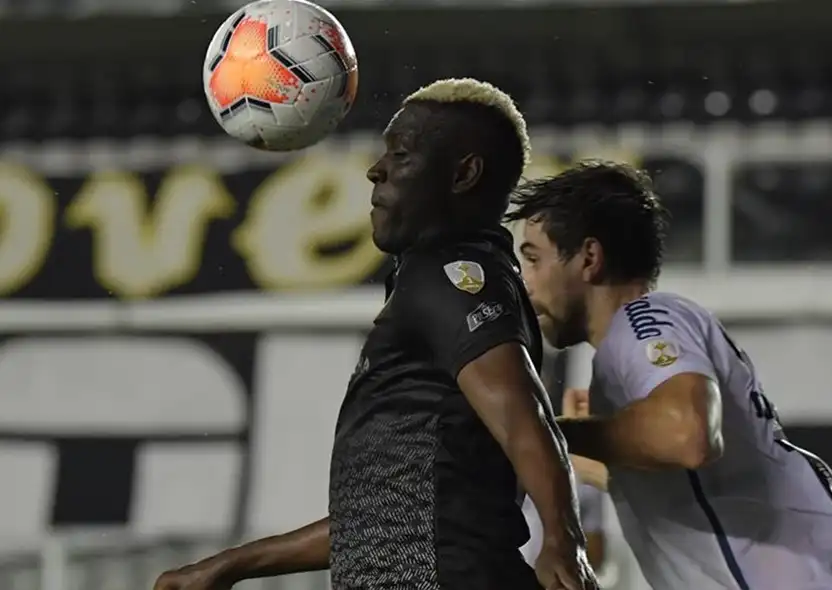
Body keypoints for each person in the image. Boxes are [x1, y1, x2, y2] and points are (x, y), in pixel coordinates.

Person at [153, 79, 598, 590]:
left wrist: (564, 542)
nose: (376, 170)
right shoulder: (436, 286)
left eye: (401, 155)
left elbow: (525, 417)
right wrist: (228, 565)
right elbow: (384, 522)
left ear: (464, 174)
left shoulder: (454, 275)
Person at [505, 160, 832, 590]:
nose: (525, 282)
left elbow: (688, 435)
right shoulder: (628, 352)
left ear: (589, 258)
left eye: (533, 258)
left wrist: (549, 434)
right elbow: (694, 486)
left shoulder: (645, 320)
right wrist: (595, 448)